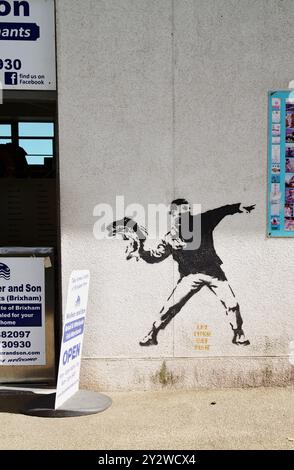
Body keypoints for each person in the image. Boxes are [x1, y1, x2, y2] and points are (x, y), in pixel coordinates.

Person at [138, 199, 255, 347]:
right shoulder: (169, 238)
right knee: (170, 307)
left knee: (232, 303)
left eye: (185, 214)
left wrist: (238, 207)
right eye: (178, 215)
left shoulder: (202, 222)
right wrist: (141, 252)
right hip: (190, 276)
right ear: (172, 215)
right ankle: (152, 333)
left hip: (213, 272)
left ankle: (238, 333)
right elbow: (155, 256)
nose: (181, 218)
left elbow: (220, 211)